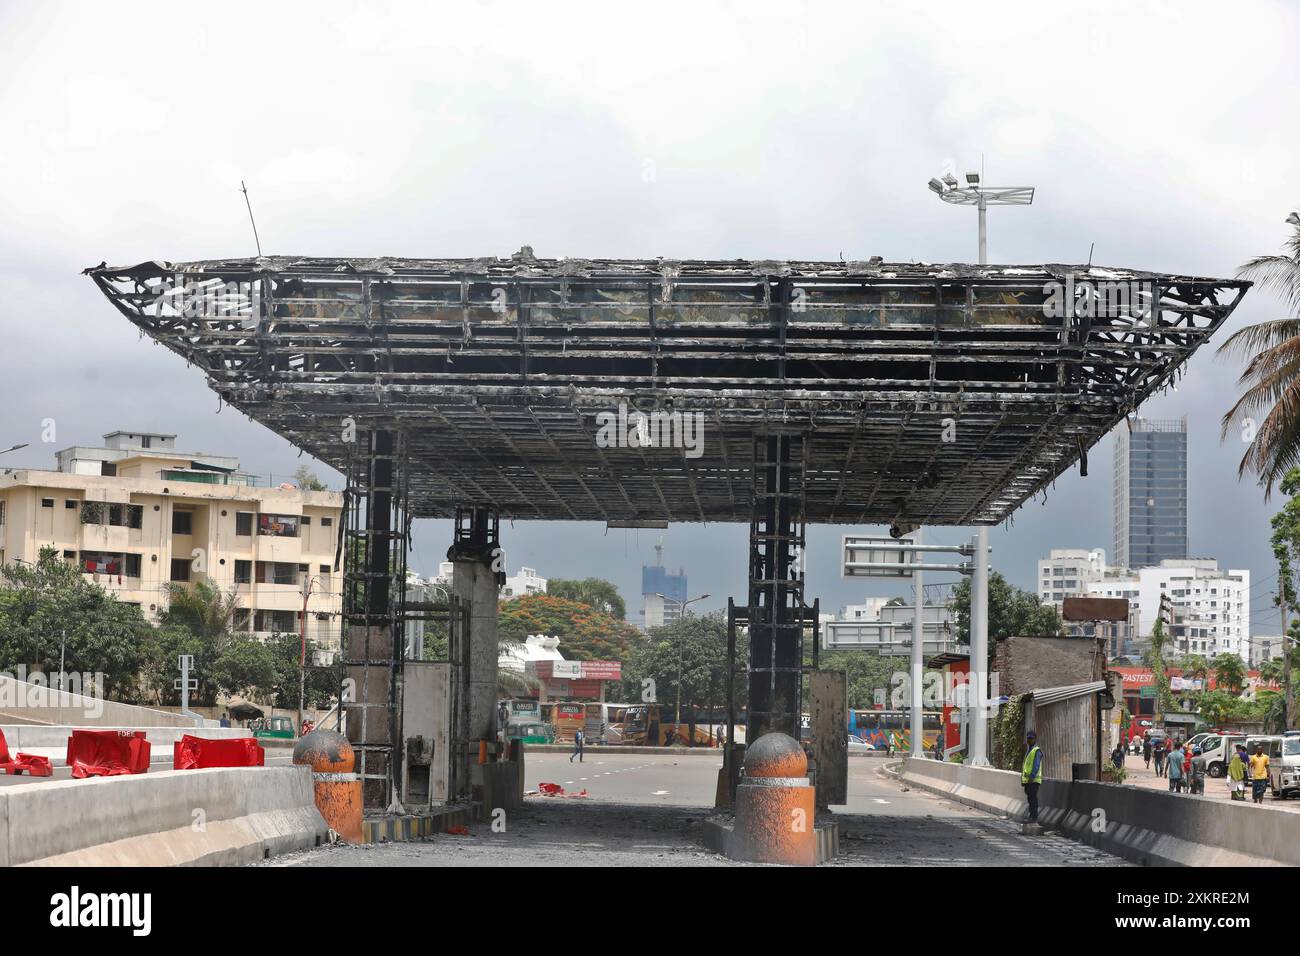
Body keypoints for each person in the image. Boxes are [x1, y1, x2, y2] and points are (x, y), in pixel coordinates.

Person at [1021, 730, 1043, 823]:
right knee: (1030, 799)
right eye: (1028, 738)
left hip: (1033, 780)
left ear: (1035, 739)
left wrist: (1032, 776)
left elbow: (1036, 765)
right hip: (1028, 780)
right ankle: (1031, 816)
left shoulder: (1036, 751)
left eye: (1031, 738)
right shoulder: (1029, 750)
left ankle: (1033, 817)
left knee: (1033, 799)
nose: (1029, 740)